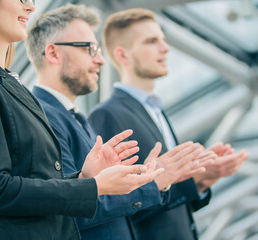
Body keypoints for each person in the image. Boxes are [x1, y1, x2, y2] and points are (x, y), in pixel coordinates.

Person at [0, 2, 164, 240]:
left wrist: (84, 177)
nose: (31, 6)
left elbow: (35, 182)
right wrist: (94, 187)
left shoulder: (8, 83)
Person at [26, 4, 217, 240]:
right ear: (53, 53)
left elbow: (100, 199)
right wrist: (153, 182)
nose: (101, 60)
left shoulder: (75, 118)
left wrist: (146, 178)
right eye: (89, 49)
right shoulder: (43, 118)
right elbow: (66, 210)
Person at [89, 8, 249, 240]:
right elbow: (121, 207)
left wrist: (201, 178)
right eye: (152, 41)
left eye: (163, 40)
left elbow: (168, 204)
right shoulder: (107, 115)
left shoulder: (156, 110)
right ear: (123, 55)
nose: (165, 48)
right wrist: (192, 180)